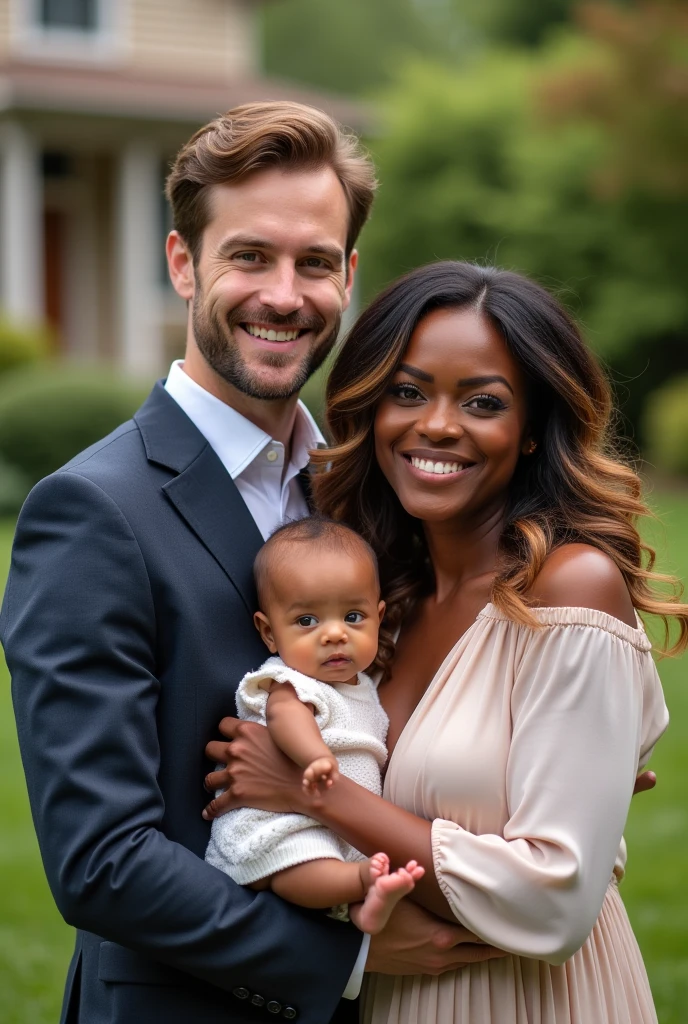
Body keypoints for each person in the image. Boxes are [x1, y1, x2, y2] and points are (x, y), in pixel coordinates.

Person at [1, 105, 503, 1024]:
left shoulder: (360, 488)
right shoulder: (92, 511)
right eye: (248, 256)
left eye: (315, 262)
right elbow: (100, 859)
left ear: (348, 276)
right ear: (184, 263)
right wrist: (342, 950)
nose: (284, 294)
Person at [203, 261, 684, 1023]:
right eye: (408, 391)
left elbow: (553, 904)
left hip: (527, 1000)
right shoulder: (378, 605)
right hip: (395, 994)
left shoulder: (569, 589)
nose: (435, 424)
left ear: (531, 432)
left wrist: (307, 790)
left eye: (482, 402)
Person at [206, 516, 425, 933]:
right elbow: (284, 717)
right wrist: (315, 756)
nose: (335, 634)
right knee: (300, 865)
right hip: (282, 822)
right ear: (269, 633)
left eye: (353, 616)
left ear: (379, 617)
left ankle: (366, 905)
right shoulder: (291, 682)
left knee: (334, 863)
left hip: (336, 823)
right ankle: (362, 882)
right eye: (308, 621)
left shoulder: (364, 688)